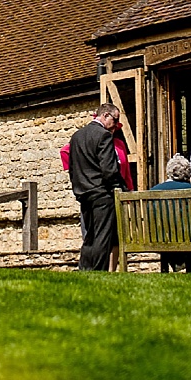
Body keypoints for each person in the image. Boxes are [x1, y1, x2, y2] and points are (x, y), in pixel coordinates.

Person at [67, 103, 127, 272]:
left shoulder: (77, 136)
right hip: (101, 193)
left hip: (83, 192)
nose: (115, 125)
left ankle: (84, 269)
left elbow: (72, 168)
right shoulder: (104, 136)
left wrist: (78, 188)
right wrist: (119, 188)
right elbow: (109, 170)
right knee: (102, 236)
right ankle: (99, 271)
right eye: (115, 120)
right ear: (106, 115)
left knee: (90, 237)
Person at [150, 154, 191, 273]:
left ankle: (178, 266)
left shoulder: (153, 191)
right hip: (189, 238)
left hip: (160, 238)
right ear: (186, 173)